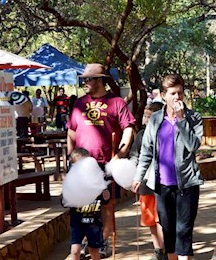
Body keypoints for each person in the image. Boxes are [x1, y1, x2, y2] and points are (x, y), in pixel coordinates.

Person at [132, 74, 203, 260]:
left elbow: (193, 146)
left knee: (184, 230)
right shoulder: (155, 119)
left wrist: (181, 121)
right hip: (162, 185)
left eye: (180, 93)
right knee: (169, 231)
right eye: (173, 93)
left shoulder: (193, 117)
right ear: (163, 95)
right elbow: (146, 151)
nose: (177, 97)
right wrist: (138, 177)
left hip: (187, 184)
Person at [67, 63, 135, 257]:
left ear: (100, 80)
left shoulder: (116, 103)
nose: (85, 83)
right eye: (84, 79)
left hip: (106, 163)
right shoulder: (79, 103)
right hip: (81, 165)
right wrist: (71, 157)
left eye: (88, 79)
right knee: (83, 205)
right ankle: (82, 241)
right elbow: (71, 131)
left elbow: (128, 128)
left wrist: (121, 153)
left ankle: (102, 241)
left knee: (107, 205)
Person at [129, 102, 167, 260]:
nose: (145, 119)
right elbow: (134, 156)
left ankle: (165, 249)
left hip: (162, 183)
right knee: (150, 219)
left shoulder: (166, 133)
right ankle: (157, 249)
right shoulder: (141, 135)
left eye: (149, 116)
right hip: (145, 184)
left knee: (162, 219)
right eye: (145, 115)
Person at [67, 148, 110, 260]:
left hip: (93, 222)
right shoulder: (71, 182)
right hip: (76, 222)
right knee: (75, 250)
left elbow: (104, 201)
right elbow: (64, 201)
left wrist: (106, 196)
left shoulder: (97, 181)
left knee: (93, 250)